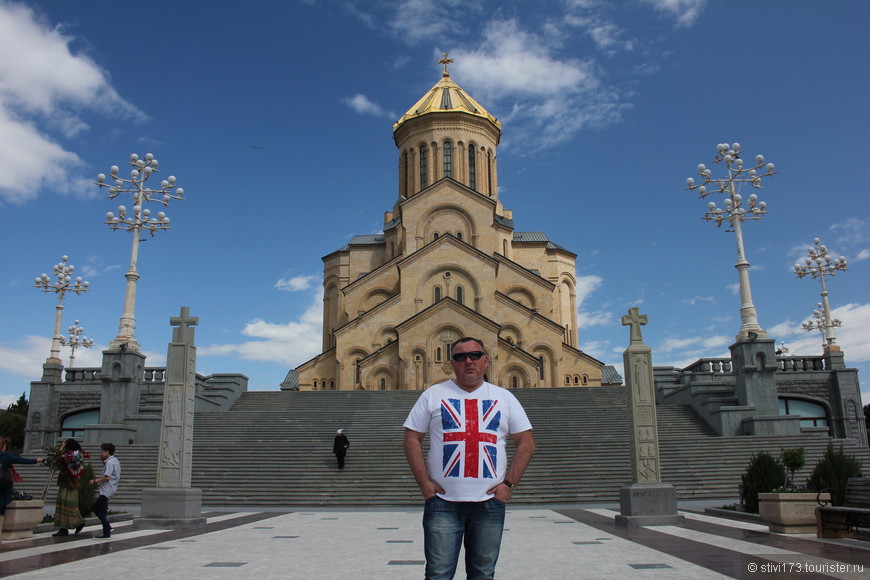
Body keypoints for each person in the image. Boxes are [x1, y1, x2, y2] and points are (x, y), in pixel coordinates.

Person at [403, 337, 535, 580]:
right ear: (451, 363)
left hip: (489, 503)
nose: (468, 361)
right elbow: (411, 437)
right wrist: (424, 484)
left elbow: (526, 442)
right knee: (438, 574)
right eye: (460, 356)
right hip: (442, 502)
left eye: (475, 355)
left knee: (483, 573)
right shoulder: (433, 394)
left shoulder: (504, 397)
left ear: (486, 360)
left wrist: (508, 485)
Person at [0, 438, 45, 537]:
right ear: (3, 447)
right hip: (2, 487)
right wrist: (36, 460)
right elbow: (20, 460)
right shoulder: (5, 456)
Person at [52, 438, 86, 537]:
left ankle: (78, 522)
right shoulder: (69, 454)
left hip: (72, 484)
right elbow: (58, 459)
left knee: (69, 505)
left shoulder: (76, 455)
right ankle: (63, 528)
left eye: (65, 446)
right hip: (65, 482)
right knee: (62, 505)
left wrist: (61, 449)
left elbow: (59, 458)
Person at [88, 442, 120, 539]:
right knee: (96, 509)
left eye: (102, 451)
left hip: (107, 489)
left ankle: (107, 531)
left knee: (101, 512)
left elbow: (107, 477)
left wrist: (95, 481)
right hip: (109, 489)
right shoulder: (115, 461)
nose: (101, 453)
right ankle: (107, 527)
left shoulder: (110, 462)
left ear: (107, 452)